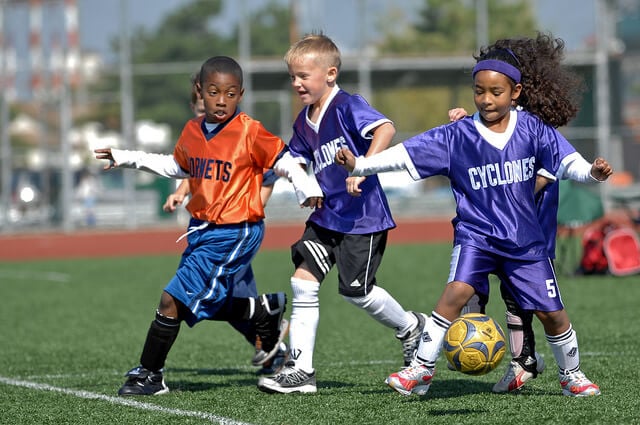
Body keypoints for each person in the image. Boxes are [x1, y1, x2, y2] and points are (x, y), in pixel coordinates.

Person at [335, 33, 612, 398]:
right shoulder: (457, 135)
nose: (485, 99)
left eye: (495, 92)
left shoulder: (532, 130)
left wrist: (592, 172)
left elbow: (567, 162)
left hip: (524, 240)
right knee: (455, 294)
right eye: (479, 91)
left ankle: (571, 375)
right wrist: (362, 164)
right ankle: (419, 369)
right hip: (476, 236)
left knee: (552, 314)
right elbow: (405, 155)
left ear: (515, 93)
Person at [94, 55, 322, 396]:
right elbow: (176, 166)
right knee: (200, 301)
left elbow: (284, 160)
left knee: (172, 299)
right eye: (214, 91)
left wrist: (306, 186)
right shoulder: (192, 131)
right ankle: (264, 309)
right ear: (200, 92)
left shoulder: (248, 130)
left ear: (240, 94)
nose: (221, 100)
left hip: (236, 230)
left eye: (230, 93)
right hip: (203, 230)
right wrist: (126, 157)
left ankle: (150, 375)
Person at [257, 33, 427, 395]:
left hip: (362, 219)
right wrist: (301, 183)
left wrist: (361, 167)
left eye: (304, 75)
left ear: (330, 74)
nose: (296, 83)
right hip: (325, 217)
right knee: (302, 281)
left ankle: (411, 326)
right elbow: (298, 159)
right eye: (292, 77)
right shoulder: (304, 120)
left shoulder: (348, 105)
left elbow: (385, 128)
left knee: (357, 292)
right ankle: (301, 370)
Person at [162, 71, 286, 375]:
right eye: (203, 107)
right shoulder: (198, 135)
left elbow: (268, 175)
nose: (212, 110)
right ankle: (274, 345)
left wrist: (253, 206)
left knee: (217, 300)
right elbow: (200, 175)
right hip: (209, 231)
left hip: (233, 230)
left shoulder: (242, 135)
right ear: (197, 104)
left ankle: (274, 336)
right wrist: (180, 192)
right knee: (232, 304)